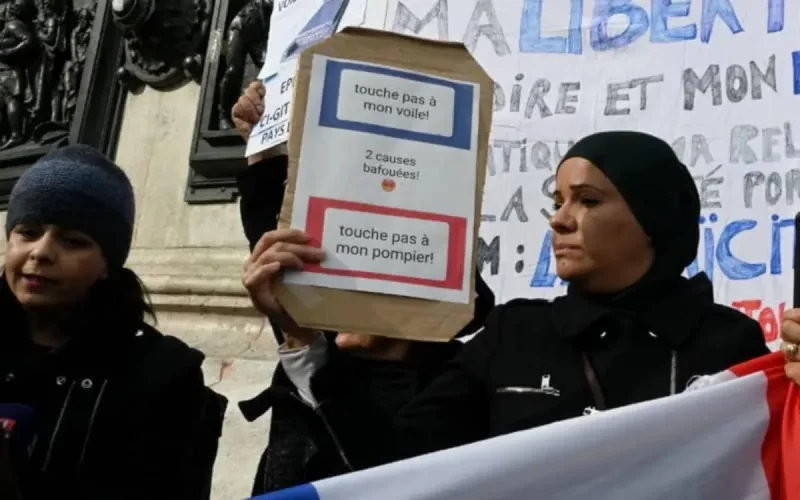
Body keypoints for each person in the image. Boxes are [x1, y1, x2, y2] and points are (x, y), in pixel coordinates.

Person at [247, 129, 771, 470]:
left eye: (587, 201)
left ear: (652, 218)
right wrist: (303, 338)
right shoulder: (513, 335)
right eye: (557, 200)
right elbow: (395, 464)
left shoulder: (729, 343)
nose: (560, 219)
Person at [232, 81, 495, 495]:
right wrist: (267, 150)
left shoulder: (459, 394)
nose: (339, 295)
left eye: (367, 276)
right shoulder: (314, 360)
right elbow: (287, 249)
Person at [0, 145, 227, 499]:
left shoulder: (163, 374)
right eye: (27, 232)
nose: (41, 252)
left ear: (108, 263)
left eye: (73, 241)